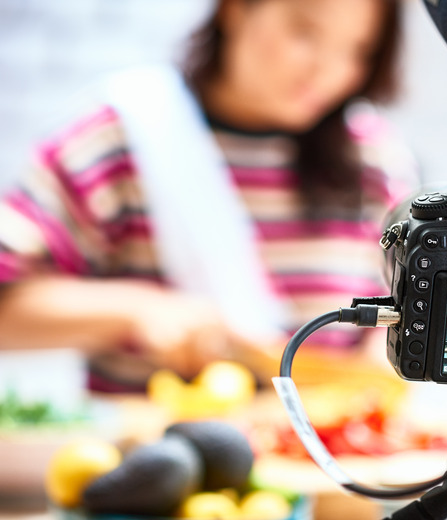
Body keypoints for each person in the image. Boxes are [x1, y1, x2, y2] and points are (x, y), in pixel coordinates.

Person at [0, 0, 414, 391]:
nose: (327, 70)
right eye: (305, 33)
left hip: (332, 453)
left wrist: (385, 357)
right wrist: (135, 311)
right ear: (235, 9)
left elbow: (403, 302)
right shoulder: (114, 139)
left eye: (357, 50)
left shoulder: (372, 156)